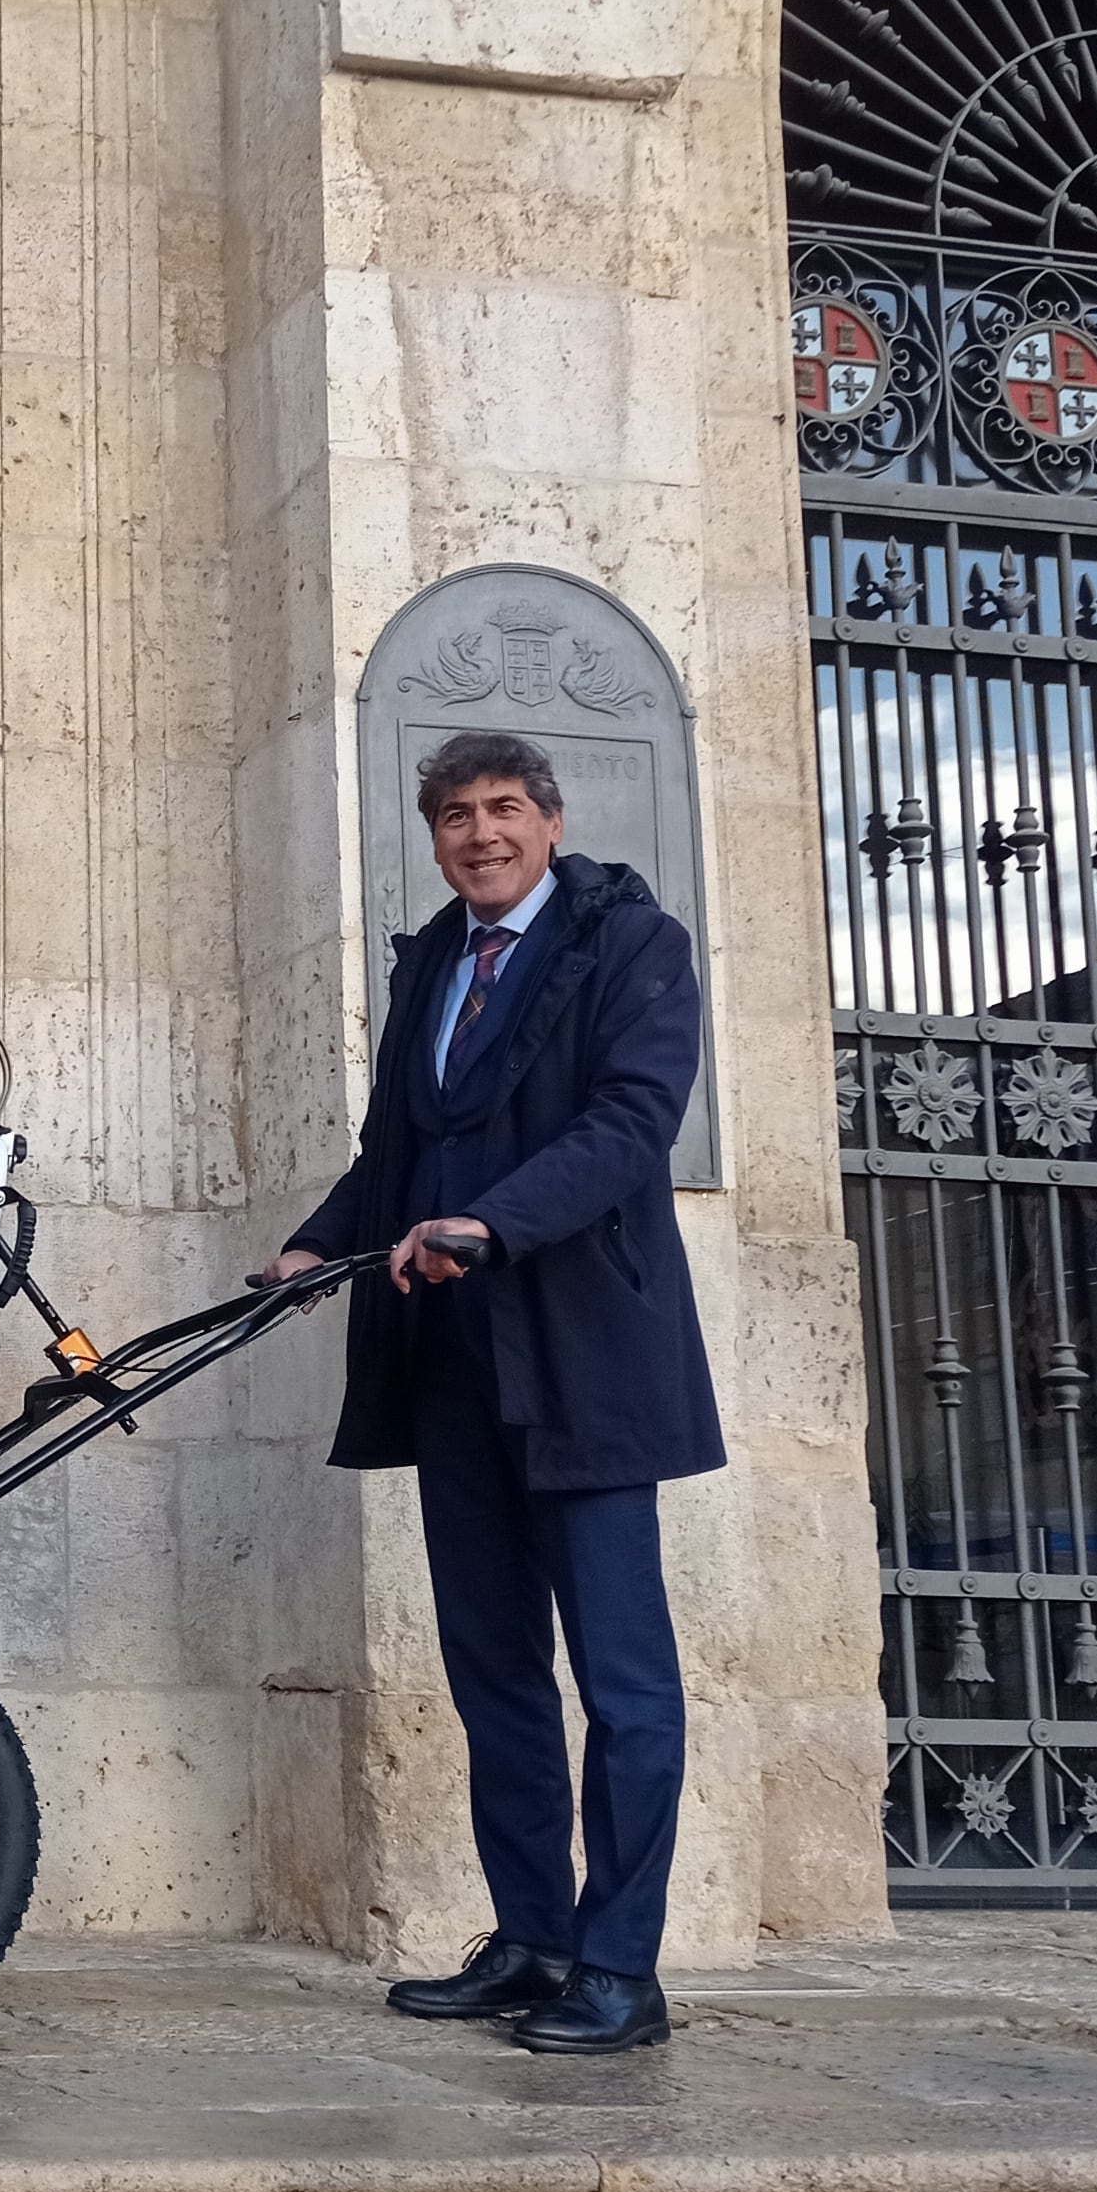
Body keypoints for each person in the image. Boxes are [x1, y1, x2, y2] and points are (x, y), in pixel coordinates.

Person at [269, 729, 722, 2054]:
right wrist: (317, 1240)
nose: (482, 833)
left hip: (584, 1357)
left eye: (506, 808)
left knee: (626, 1683)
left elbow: (631, 1126)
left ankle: (622, 1969)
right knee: (496, 1677)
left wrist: (490, 1224)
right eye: (457, 814)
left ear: (551, 822)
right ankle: (532, 1937)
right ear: (435, 836)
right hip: (457, 1368)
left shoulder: (634, 947)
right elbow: (397, 1150)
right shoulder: (429, 968)